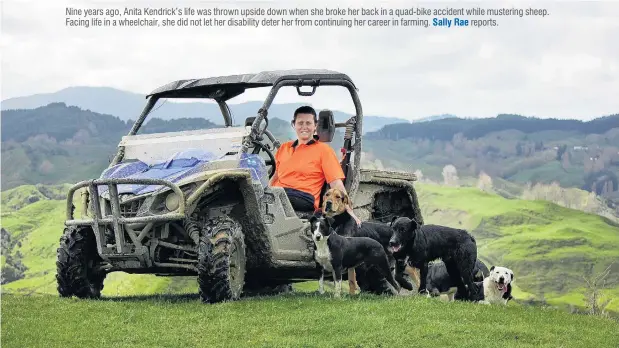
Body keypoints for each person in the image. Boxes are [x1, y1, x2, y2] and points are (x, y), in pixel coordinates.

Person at [270, 105, 361, 225]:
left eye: (308, 123)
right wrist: (265, 189)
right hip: (279, 192)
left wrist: (349, 210)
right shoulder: (284, 148)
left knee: (275, 194)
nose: (304, 127)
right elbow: (275, 175)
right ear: (294, 125)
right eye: (300, 123)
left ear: (315, 126)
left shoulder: (324, 151)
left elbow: (336, 183)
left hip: (304, 197)